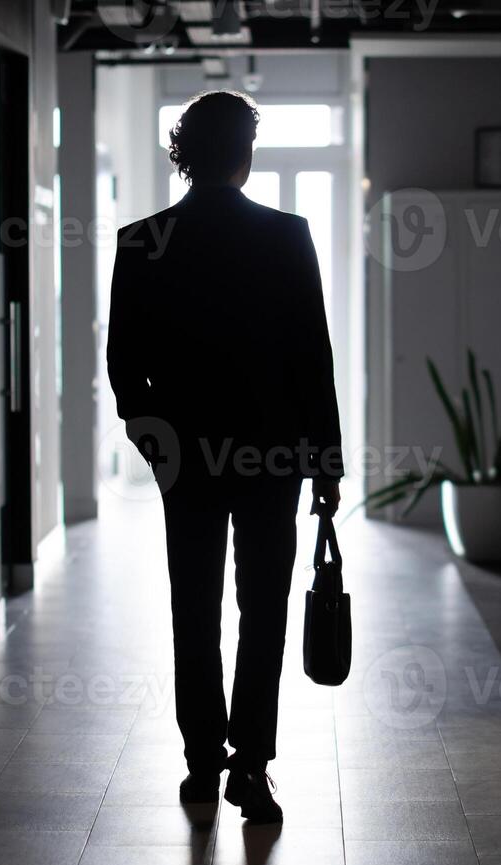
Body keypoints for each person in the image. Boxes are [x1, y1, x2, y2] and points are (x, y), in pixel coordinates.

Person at [107, 91, 342, 823]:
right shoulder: (287, 235)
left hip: (190, 460)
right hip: (273, 456)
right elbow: (313, 360)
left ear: (185, 151)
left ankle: (202, 760)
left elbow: (124, 366)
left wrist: (159, 446)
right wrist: (325, 466)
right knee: (262, 609)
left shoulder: (143, 239)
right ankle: (252, 766)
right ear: (246, 153)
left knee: (193, 608)